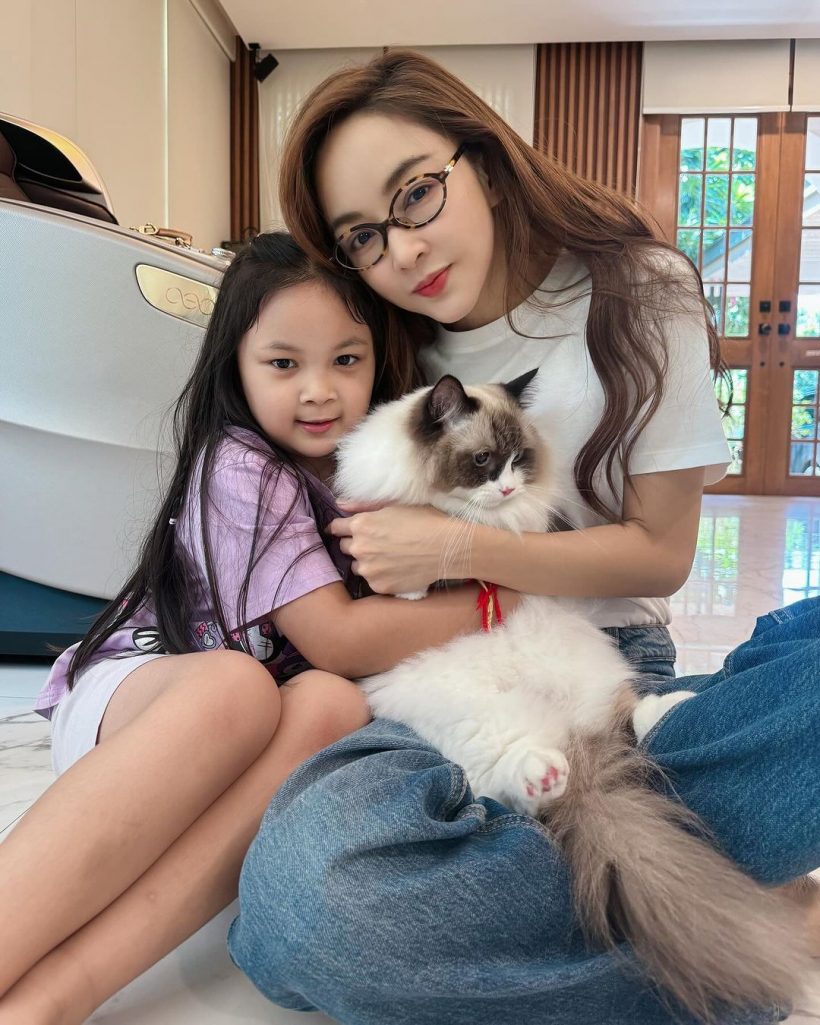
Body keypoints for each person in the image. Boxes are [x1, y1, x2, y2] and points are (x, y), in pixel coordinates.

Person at [225, 50, 820, 1024]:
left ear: (488, 163)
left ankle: (647, 843)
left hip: (604, 659)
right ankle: (727, 918)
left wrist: (459, 548)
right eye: (364, 236)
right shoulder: (372, 342)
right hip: (444, 676)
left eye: (416, 194)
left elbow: (660, 552)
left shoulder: (637, 291)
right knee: (308, 911)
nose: (402, 251)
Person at [0, 232, 498, 1025]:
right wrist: (506, 598)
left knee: (334, 703)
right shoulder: (239, 463)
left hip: (243, 730)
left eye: (346, 359)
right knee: (243, 686)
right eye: (283, 363)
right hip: (136, 704)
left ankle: (56, 999)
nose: (319, 391)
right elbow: (336, 635)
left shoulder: (370, 466)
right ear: (235, 364)